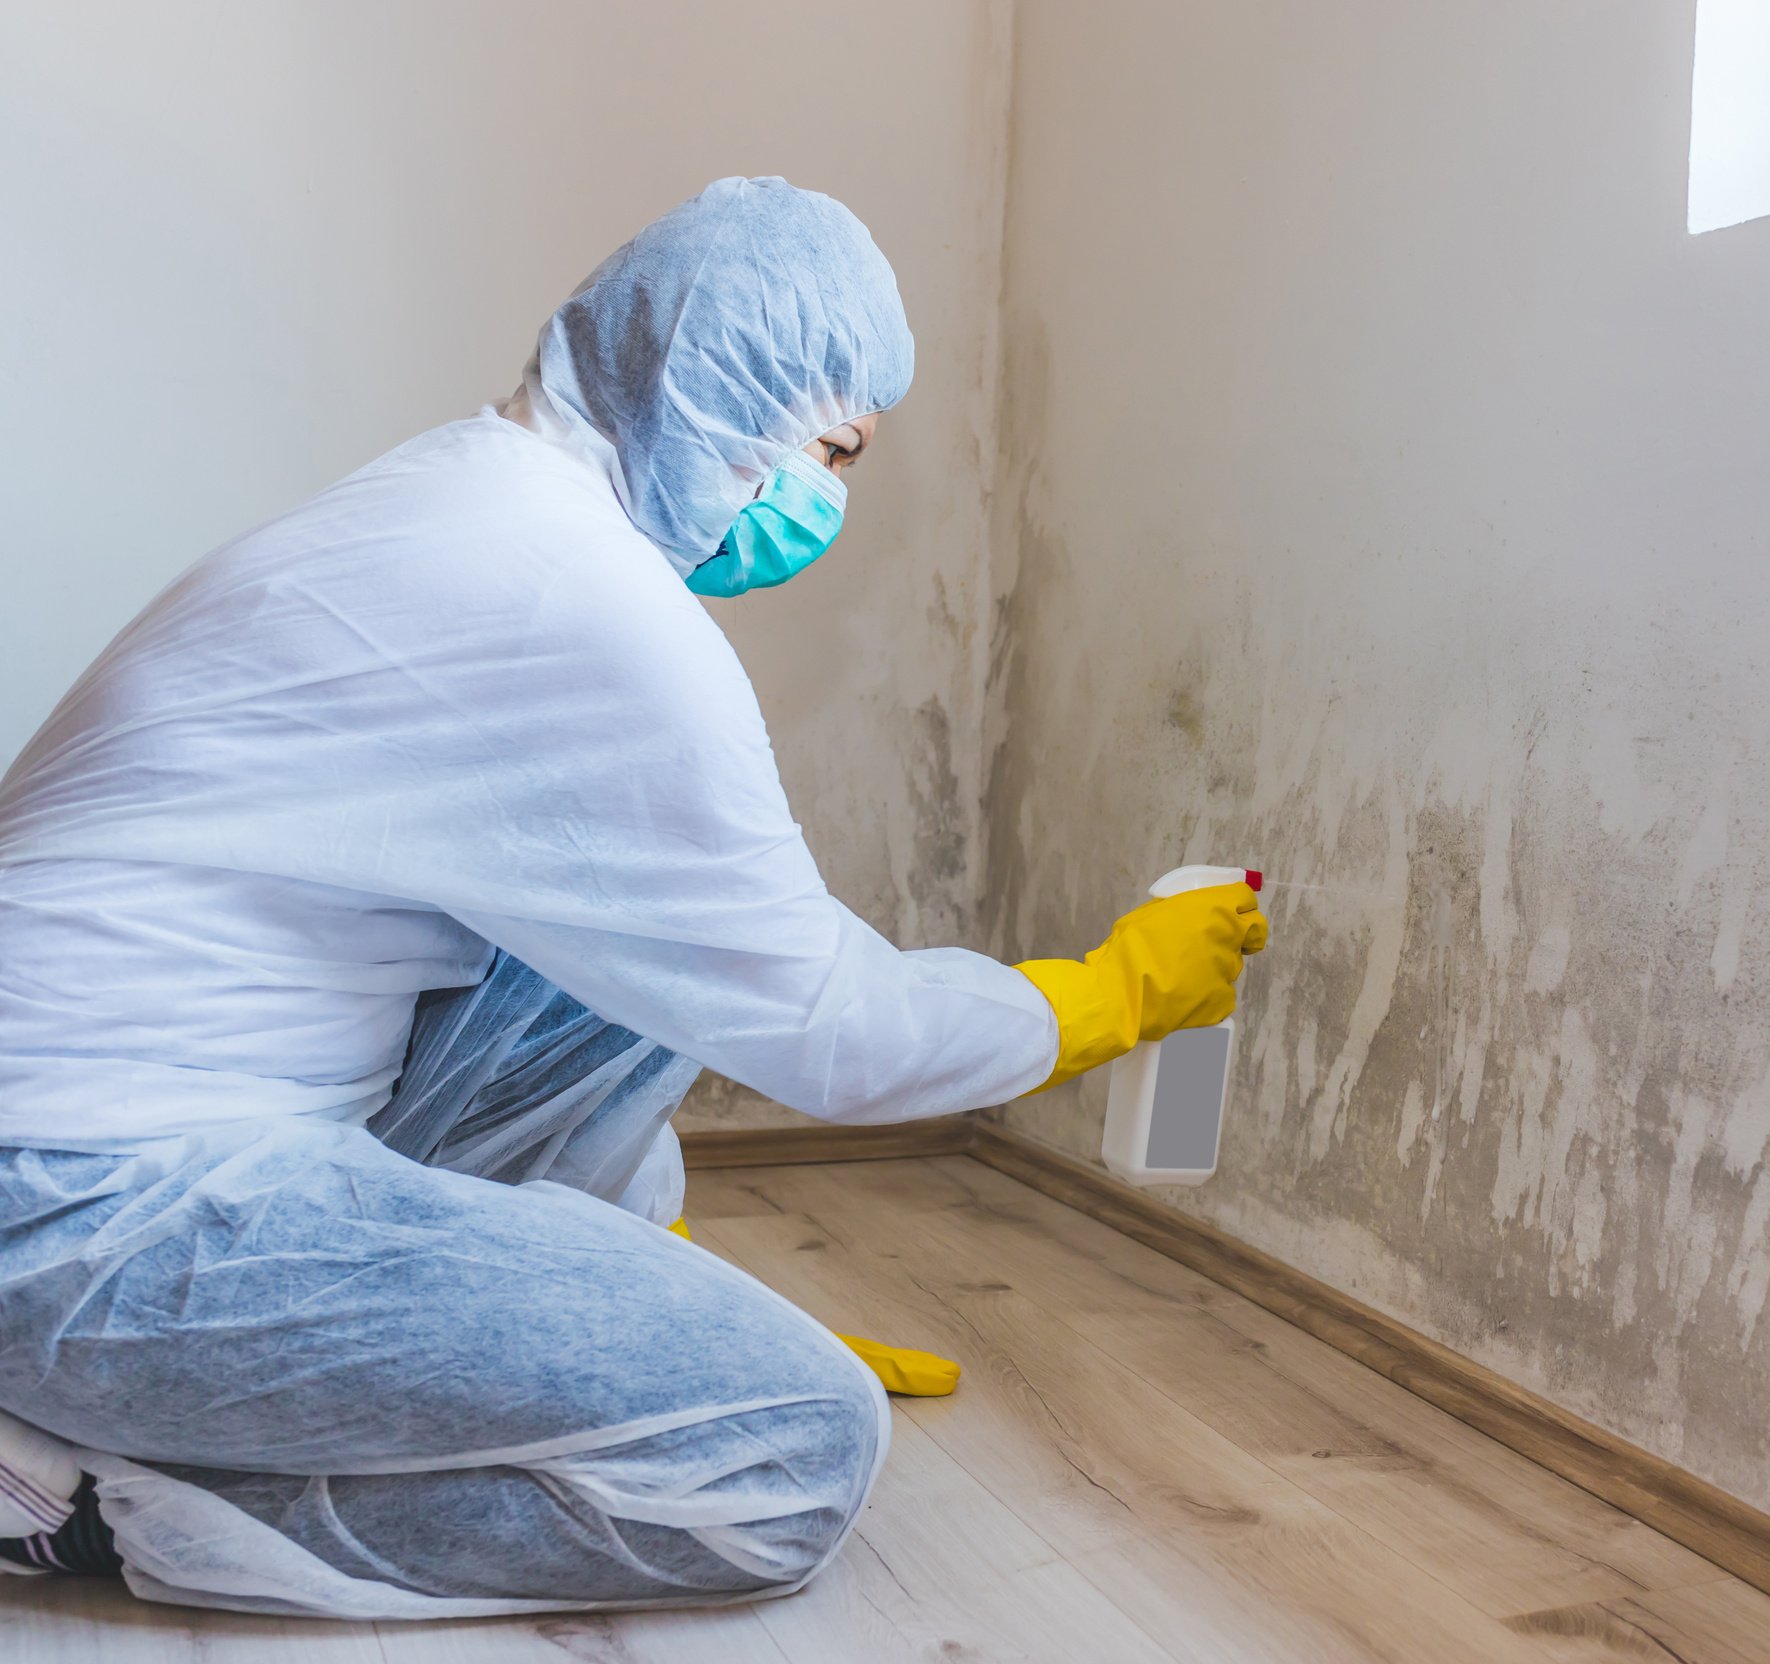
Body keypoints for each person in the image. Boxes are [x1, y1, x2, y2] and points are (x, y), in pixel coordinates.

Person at [0, 177, 1265, 1618]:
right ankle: (83, 1494)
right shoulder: (582, 602)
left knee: (611, 954)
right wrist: (1109, 997)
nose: (827, 498)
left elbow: (668, 984)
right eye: (831, 448)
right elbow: (828, 1028)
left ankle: (564, 1333)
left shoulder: (462, 497)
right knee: (790, 1447)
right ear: (713, 392)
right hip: (85, 1217)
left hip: (95, 1142)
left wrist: (646, 1301)